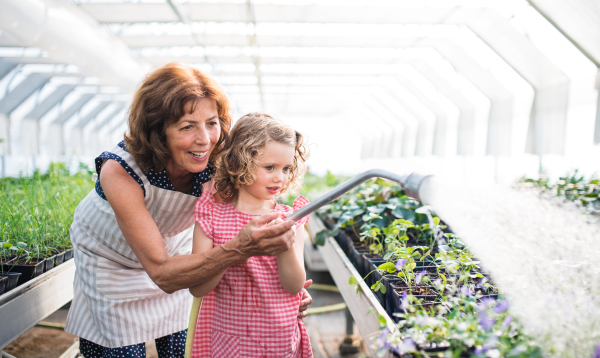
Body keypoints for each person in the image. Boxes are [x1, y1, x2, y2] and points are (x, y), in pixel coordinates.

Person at [64, 63, 313, 358]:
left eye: (211, 122)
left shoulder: (220, 158)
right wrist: (240, 248)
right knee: (120, 351)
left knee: (181, 347)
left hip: (178, 257)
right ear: (158, 131)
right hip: (112, 263)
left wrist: (283, 290)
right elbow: (162, 272)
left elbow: (236, 220)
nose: (204, 139)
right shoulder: (120, 171)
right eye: (187, 126)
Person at [189, 113, 313, 358]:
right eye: (270, 167)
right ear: (238, 163)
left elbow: (293, 285)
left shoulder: (291, 219)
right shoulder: (211, 217)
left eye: (286, 168)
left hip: (278, 339)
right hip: (229, 342)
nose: (280, 177)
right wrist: (233, 249)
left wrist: (285, 243)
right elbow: (198, 286)